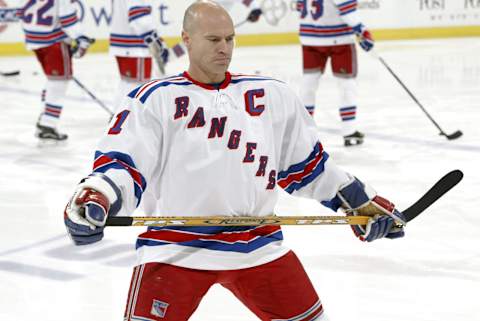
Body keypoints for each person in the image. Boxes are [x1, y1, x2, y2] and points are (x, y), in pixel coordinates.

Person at [64, 1, 405, 320]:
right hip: (174, 247)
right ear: (186, 39)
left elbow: (309, 168)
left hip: (257, 245)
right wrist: (97, 195)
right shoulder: (153, 99)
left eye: (229, 39)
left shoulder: (272, 95)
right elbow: (123, 165)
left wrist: (358, 200)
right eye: (213, 39)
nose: (223, 48)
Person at [296, 0, 374, 146]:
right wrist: (363, 31)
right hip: (340, 41)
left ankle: (303, 131)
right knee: (347, 84)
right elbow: (347, 10)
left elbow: (300, 6)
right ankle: (349, 131)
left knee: (309, 83)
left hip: (310, 38)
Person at [19, 0, 94, 141]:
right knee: (59, 83)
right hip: (53, 42)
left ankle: (45, 116)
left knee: (53, 80)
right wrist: (81, 37)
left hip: (35, 40)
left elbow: (21, 12)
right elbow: (67, 19)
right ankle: (48, 124)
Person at [109, 0, 169, 112]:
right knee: (136, 86)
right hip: (134, 45)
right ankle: (123, 122)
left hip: (126, 44)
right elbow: (138, 15)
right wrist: (155, 41)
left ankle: (117, 120)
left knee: (128, 83)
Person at [169, 0, 263, 61]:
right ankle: (169, 56)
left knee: (193, 40)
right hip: (202, 17)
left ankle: (169, 56)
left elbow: (248, 1)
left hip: (214, 22)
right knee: (192, 40)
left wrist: (256, 9)